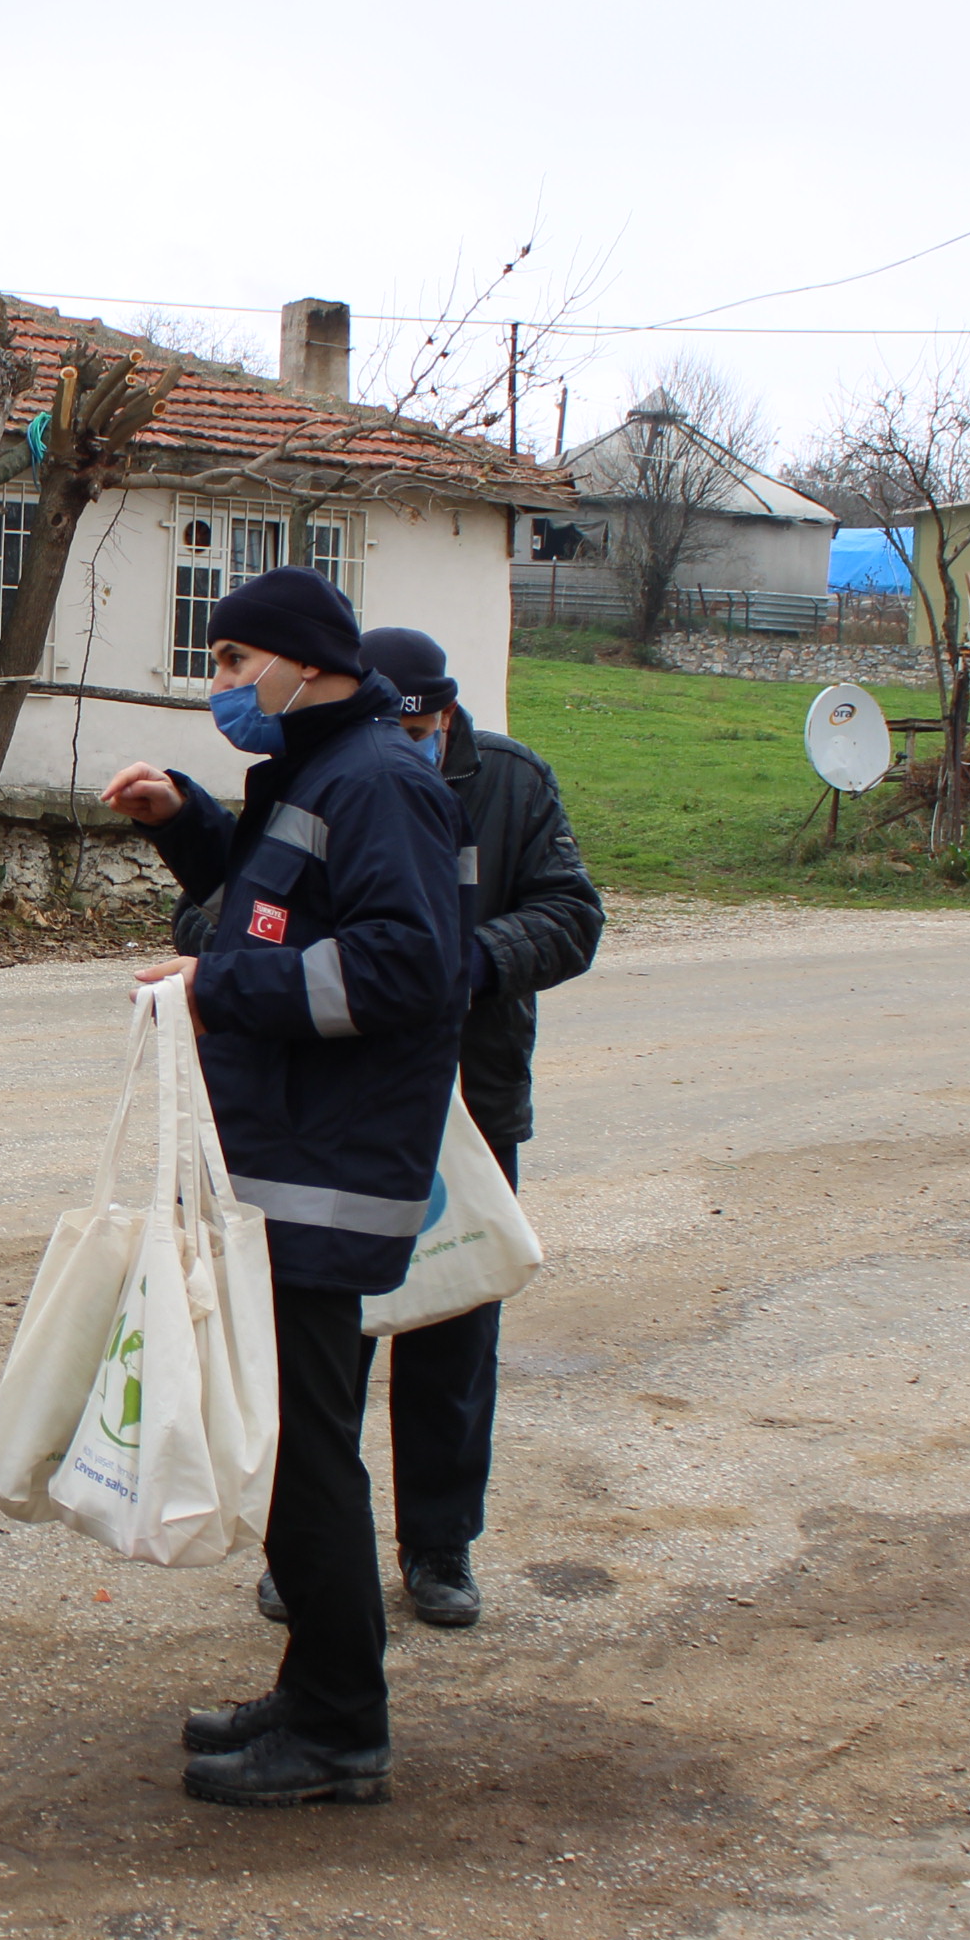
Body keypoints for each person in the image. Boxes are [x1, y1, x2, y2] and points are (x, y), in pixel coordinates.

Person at [101, 566, 469, 1808]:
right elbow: (270, 909)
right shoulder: (316, 774)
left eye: (231, 661)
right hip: (285, 1165)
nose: (221, 687)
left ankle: (340, 1726)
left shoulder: (379, 782)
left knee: (309, 1455)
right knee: (290, 1447)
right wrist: (184, 823)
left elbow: (406, 968)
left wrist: (213, 991)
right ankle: (315, 1682)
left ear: (306, 663)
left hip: (330, 1175)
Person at [317, 623, 600, 1630]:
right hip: (338, 1107)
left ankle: (440, 1547)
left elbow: (573, 917)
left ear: (447, 717)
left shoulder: (513, 786)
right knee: (326, 1339)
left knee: (452, 1331)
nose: (407, 746)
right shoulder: (322, 773)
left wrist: (470, 961)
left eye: (422, 728)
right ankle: (313, 1539)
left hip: (470, 1107)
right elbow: (222, 910)